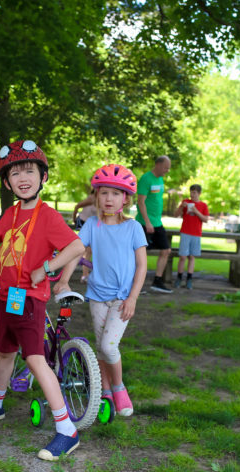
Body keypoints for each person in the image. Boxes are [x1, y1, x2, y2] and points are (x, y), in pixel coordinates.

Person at [0, 139, 86, 461]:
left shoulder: (49, 217)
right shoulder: (12, 213)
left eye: (29, 170)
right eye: (14, 173)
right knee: (5, 352)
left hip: (29, 299)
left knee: (35, 359)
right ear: (6, 182)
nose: (22, 178)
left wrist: (46, 268)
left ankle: (67, 430)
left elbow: (76, 247)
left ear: (43, 177)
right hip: (6, 296)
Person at [58, 164, 147, 417]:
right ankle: (103, 391)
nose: (109, 199)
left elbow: (142, 266)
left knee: (109, 347)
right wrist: (65, 280)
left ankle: (118, 387)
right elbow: (76, 252)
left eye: (116, 193)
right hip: (97, 297)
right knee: (101, 347)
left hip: (122, 299)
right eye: (104, 192)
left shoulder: (133, 228)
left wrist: (133, 298)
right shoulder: (91, 225)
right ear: (96, 195)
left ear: (126, 198)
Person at [136, 156, 172, 293]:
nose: (167, 170)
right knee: (139, 253)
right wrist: (147, 222)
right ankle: (134, 284)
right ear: (157, 164)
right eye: (165, 167)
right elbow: (141, 202)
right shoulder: (146, 179)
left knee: (166, 250)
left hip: (157, 223)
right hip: (144, 223)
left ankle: (157, 281)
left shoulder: (160, 179)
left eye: (168, 168)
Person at [173, 184, 209, 290]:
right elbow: (175, 215)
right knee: (183, 256)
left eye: (194, 192)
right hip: (185, 232)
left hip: (196, 233)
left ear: (199, 193)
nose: (192, 194)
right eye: (191, 192)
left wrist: (196, 211)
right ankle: (179, 278)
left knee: (192, 257)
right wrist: (181, 207)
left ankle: (189, 279)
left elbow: (206, 219)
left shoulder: (203, 205)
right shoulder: (186, 202)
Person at [72, 189, 97, 283]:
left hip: (92, 224)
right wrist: (74, 219)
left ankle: (86, 274)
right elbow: (77, 206)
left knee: (88, 250)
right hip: (83, 222)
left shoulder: (102, 200)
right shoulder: (91, 198)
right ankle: (85, 274)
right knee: (87, 250)